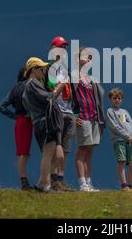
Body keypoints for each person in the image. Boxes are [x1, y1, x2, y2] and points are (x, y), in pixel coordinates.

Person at [22, 57, 65, 192]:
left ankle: (42, 184)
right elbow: (49, 97)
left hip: (43, 122)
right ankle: (45, 185)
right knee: (47, 154)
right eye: (42, 69)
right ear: (33, 70)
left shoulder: (31, 85)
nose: (44, 71)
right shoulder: (32, 83)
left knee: (53, 154)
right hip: (43, 122)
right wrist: (59, 87)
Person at [71, 47, 105, 191]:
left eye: (90, 58)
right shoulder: (73, 76)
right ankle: (82, 183)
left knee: (89, 151)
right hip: (82, 116)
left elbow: (99, 99)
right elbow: (67, 98)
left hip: (94, 118)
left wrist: (100, 119)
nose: (88, 60)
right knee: (81, 149)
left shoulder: (93, 79)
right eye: (85, 57)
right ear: (78, 59)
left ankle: (89, 183)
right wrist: (73, 116)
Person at [46, 36, 76, 191]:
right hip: (57, 110)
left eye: (64, 48)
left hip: (68, 111)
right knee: (55, 146)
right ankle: (52, 180)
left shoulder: (65, 69)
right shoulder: (49, 68)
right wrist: (60, 84)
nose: (63, 50)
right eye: (60, 47)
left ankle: (60, 179)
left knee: (65, 148)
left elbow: (71, 93)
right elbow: (50, 90)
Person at [0, 67, 34, 191]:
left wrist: (15, 117)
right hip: (27, 120)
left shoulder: (14, 89)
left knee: (22, 152)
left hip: (20, 120)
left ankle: (24, 182)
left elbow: (1, 107)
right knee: (24, 153)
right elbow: (0, 107)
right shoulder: (29, 85)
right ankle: (24, 183)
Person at [106, 88, 132, 191]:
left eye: (119, 98)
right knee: (122, 161)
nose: (117, 100)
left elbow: (130, 124)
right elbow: (115, 127)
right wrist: (127, 136)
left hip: (130, 140)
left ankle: (131, 185)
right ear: (110, 99)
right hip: (119, 140)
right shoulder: (110, 111)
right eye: (115, 98)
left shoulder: (124, 112)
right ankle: (124, 185)